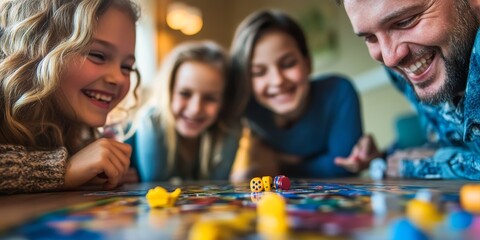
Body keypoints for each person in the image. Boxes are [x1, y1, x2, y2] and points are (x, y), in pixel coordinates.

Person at [0, 0, 141, 193]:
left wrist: (92, 170)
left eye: (126, 67)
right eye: (98, 55)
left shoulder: (68, 125)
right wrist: (63, 170)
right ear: (40, 47)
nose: (117, 77)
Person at [335, 0, 480, 179]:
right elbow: (452, 142)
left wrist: (419, 165)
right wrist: (383, 158)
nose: (390, 59)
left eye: (405, 21)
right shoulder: (409, 69)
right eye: (370, 38)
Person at [229, 9, 363, 179]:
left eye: (288, 64)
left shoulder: (338, 92)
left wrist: (279, 163)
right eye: (258, 72)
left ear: (307, 63)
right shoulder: (245, 108)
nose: (277, 81)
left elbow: (344, 167)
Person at [129, 40, 246, 182]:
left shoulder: (228, 128)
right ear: (168, 91)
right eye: (185, 94)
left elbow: (216, 188)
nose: (195, 109)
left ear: (224, 102)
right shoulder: (151, 121)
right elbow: (156, 185)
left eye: (210, 98)